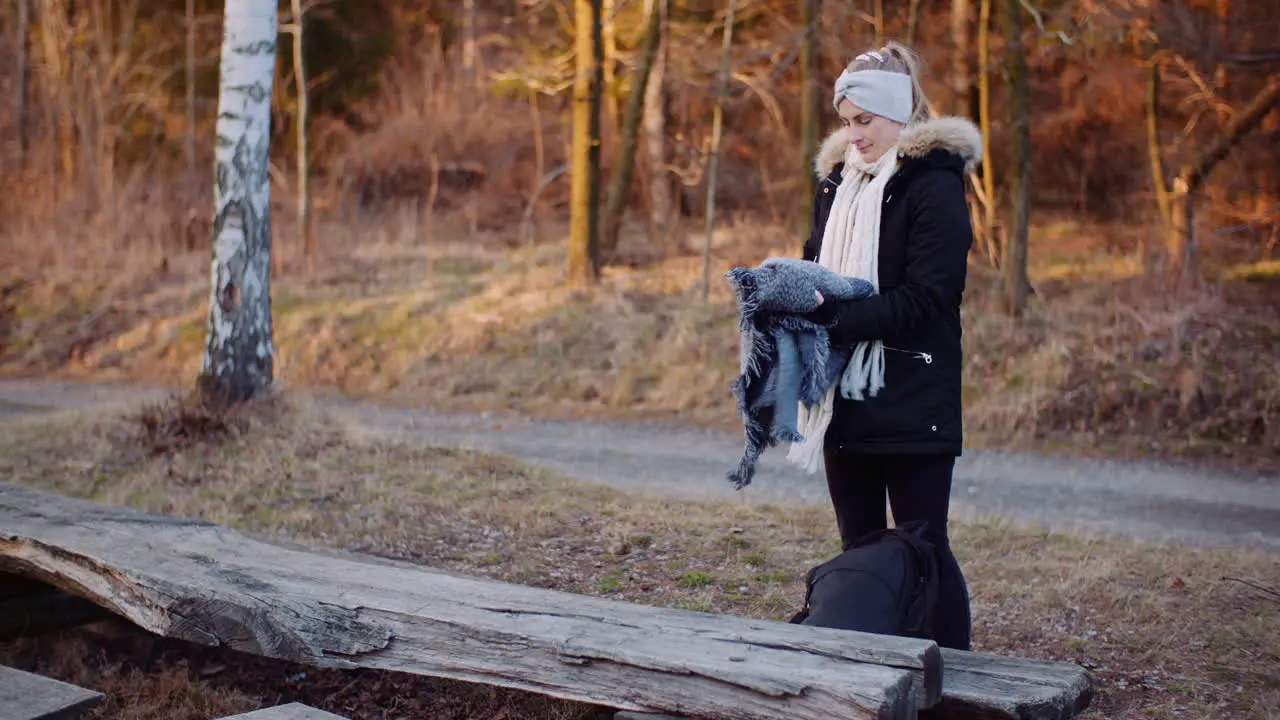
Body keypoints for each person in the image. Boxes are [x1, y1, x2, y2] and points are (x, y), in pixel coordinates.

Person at [797, 42, 980, 651]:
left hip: (912, 396)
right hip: (843, 398)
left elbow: (929, 298)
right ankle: (869, 675)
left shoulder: (934, 186)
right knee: (861, 547)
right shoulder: (837, 186)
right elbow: (813, 268)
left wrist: (833, 319)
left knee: (926, 545)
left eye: (863, 121)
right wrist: (785, 300)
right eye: (846, 122)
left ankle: (958, 679)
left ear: (897, 114)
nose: (852, 136)